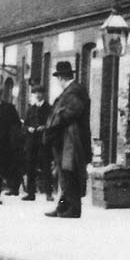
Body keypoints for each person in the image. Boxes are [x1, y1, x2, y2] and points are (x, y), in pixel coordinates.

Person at [44, 62, 91, 218]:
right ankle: (63, 207)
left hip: (72, 139)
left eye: (58, 78)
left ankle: (73, 209)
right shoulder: (73, 91)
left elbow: (71, 112)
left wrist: (56, 121)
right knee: (65, 171)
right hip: (66, 138)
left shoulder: (75, 91)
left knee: (69, 171)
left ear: (61, 78)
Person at [22, 85, 53, 201]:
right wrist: (28, 128)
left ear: (43, 94)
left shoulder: (49, 108)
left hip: (44, 141)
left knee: (46, 167)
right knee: (30, 167)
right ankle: (31, 193)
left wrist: (44, 127)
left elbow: (52, 123)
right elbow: (24, 125)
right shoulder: (30, 109)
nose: (37, 95)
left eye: (39, 93)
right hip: (31, 142)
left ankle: (48, 193)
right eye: (35, 93)